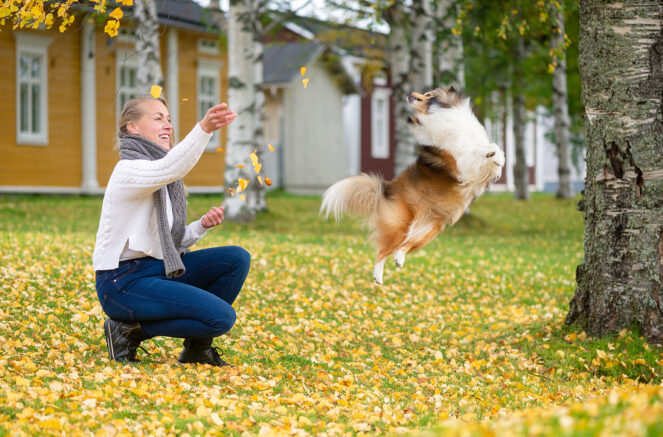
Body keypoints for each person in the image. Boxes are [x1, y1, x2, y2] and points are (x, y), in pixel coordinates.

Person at [93, 95, 250, 367]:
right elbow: (172, 165)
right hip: (121, 283)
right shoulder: (128, 170)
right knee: (221, 318)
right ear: (133, 127)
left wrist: (201, 226)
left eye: (168, 118)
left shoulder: (160, 177)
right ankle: (130, 331)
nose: (168, 125)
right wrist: (205, 129)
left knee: (236, 258)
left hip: (156, 269)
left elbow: (170, 242)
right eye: (157, 118)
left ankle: (196, 350)